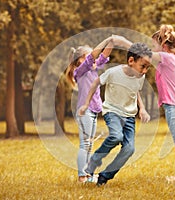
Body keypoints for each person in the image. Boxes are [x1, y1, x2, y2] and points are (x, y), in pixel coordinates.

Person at [79, 42, 152, 186]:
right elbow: (95, 82)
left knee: (129, 149)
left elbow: (135, 91)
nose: (145, 71)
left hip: (129, 116)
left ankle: (104, 177)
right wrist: (86, 104)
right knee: (116, 136)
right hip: (112, 111)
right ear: (131, 61)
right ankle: (93, 162)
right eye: (143, 66)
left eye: (147, 67)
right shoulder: (114, 72)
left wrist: (142, 108)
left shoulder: (140, 77)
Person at [65, 36, 114, 183]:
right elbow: (93, 56)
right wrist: (104, 41)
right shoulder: (81, 70)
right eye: (89, 56)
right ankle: (82, 176)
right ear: (81, 59)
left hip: (93, 110)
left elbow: (104, 55)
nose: (93, 58)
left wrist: (112, 41)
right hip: (84, 111)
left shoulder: (93, 68)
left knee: (89, 143)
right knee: (85, 143)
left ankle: (88, 175)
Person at [151, 25, 175, 180]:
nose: (153, 48)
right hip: (173, 105)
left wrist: (122, 42)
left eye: (154, 45)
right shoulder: (168, 59)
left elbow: (146, 54)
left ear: (164, 46)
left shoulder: (166, 57)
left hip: (173, 106)